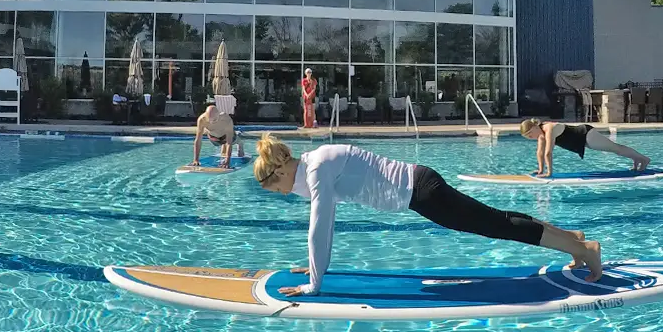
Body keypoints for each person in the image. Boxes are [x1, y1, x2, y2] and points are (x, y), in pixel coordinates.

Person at [253, 135, 603, 295]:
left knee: (497, 224)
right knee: (495, 219)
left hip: (422, 192)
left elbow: (320, 227)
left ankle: (586, 251)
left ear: (279, 173)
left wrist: (315, 282)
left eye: (275, 189)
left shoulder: (316, 171)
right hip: (420, 189)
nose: (282, 194)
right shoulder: (314, 164)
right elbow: (322, 226)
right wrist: (316, 266)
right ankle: (574, 242)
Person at [519, 119, 650, 177]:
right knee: (615, 149)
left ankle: (643, 159)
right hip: (582, 139)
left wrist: (549, 173)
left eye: (531, 135)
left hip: (586, 134)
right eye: (529, 138)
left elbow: (548, 153)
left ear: (535, 127)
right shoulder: (541, 134)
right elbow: (540, 153)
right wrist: (541, 170)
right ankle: (636, 159)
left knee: (615, 148)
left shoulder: (549, 129)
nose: (532, 138)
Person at [189, 104, 245, 168]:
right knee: (221, 146)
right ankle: (223, 145)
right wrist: (196, 160)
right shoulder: (202, 120)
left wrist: (227, 162)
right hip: (214, 137)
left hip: (226, 135)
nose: (212, 122)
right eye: (209, 120)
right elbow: (198, 140)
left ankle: (240, 144)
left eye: (214, 120)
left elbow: (229, 142)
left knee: (235, 141)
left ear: (219, 115)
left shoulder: (226, 119)